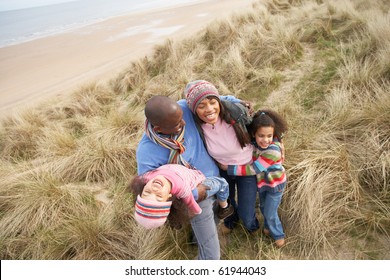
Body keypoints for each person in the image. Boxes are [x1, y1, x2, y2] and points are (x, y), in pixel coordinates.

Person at [136, 93, 240, 260]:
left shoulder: (182, 108)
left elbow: (217, 99)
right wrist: (195, 193)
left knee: (215, 215)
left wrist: (237, 102)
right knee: (211, 257)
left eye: (182, 117)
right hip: (195, 197)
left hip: (217, 179)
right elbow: (151, 189)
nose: (184, 122)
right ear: (158, 129)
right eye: (177, 124)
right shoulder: (146, 153)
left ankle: (196, 238)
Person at [184, 80, 259, 234]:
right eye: (201, 106)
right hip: (223, 171)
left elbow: (262, 126)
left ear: (218, 101)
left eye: (212, 102)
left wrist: (277, 142)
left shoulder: (235, 113)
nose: (209, 109)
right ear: (194, 110)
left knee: (247, 209)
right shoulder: (197, 126)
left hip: (247, 169)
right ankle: (231, 221)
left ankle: (251, 225)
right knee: (227, 201)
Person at [220, 109, 288, 247]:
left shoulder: (272, 151)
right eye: (261, 135)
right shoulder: (256, 145)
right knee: (264, 207)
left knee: (270, 211)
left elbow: (254, 169)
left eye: (269, 136)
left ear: (274, 134)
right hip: (264, 184)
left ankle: (278, 234)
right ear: (254, 134)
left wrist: (229, 168)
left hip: (275, 186)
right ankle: (268, 227)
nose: (266, 140)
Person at [129, 164, 234, 229]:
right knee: (223, 184)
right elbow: (190, 202)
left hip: (182, 167)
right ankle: (225, 208)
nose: (154, 189)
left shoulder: (146, 177)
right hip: (196, 177)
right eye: (159, 196)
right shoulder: (182, 188)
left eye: (147, 192)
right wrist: (197, 211)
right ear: (169, 197)